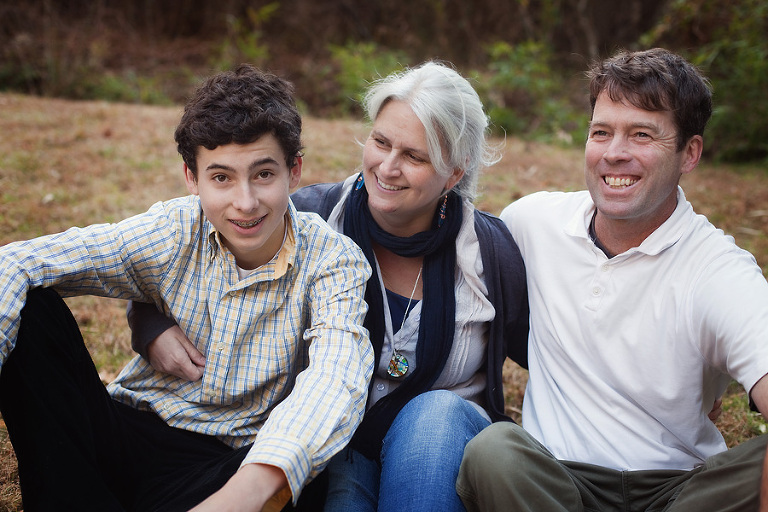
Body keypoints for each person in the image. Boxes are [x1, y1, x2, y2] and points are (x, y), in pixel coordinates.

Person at [130, 61, 529, 511]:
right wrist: (150, 323)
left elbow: (549, 356)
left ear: (454, 172)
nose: (388, 167)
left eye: (414, 157)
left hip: (438, 448)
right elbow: (189, 264)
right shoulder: (306, 218)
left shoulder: (489, 255)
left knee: (432, 415)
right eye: (381, 142)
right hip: (340, 444)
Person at [0, 64, 374, 512]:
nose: (245, 202)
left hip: (221, 470)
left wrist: (245, 493)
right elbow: (20, 260)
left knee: (301, 480)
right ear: (191, 178)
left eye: (263, 174)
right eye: (221, 178)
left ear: (294, 172)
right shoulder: (174, 229)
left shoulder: (333, 260)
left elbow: (336, 376)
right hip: (128, 430)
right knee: (31, 308)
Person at [456, 47, 768, 511]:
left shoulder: (718, 270)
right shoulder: (531, 223)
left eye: (642, 134)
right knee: (494, 451)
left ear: (690, 153)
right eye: (602, 132)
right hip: (555, 483)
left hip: (677, 490)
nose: (614, 154)